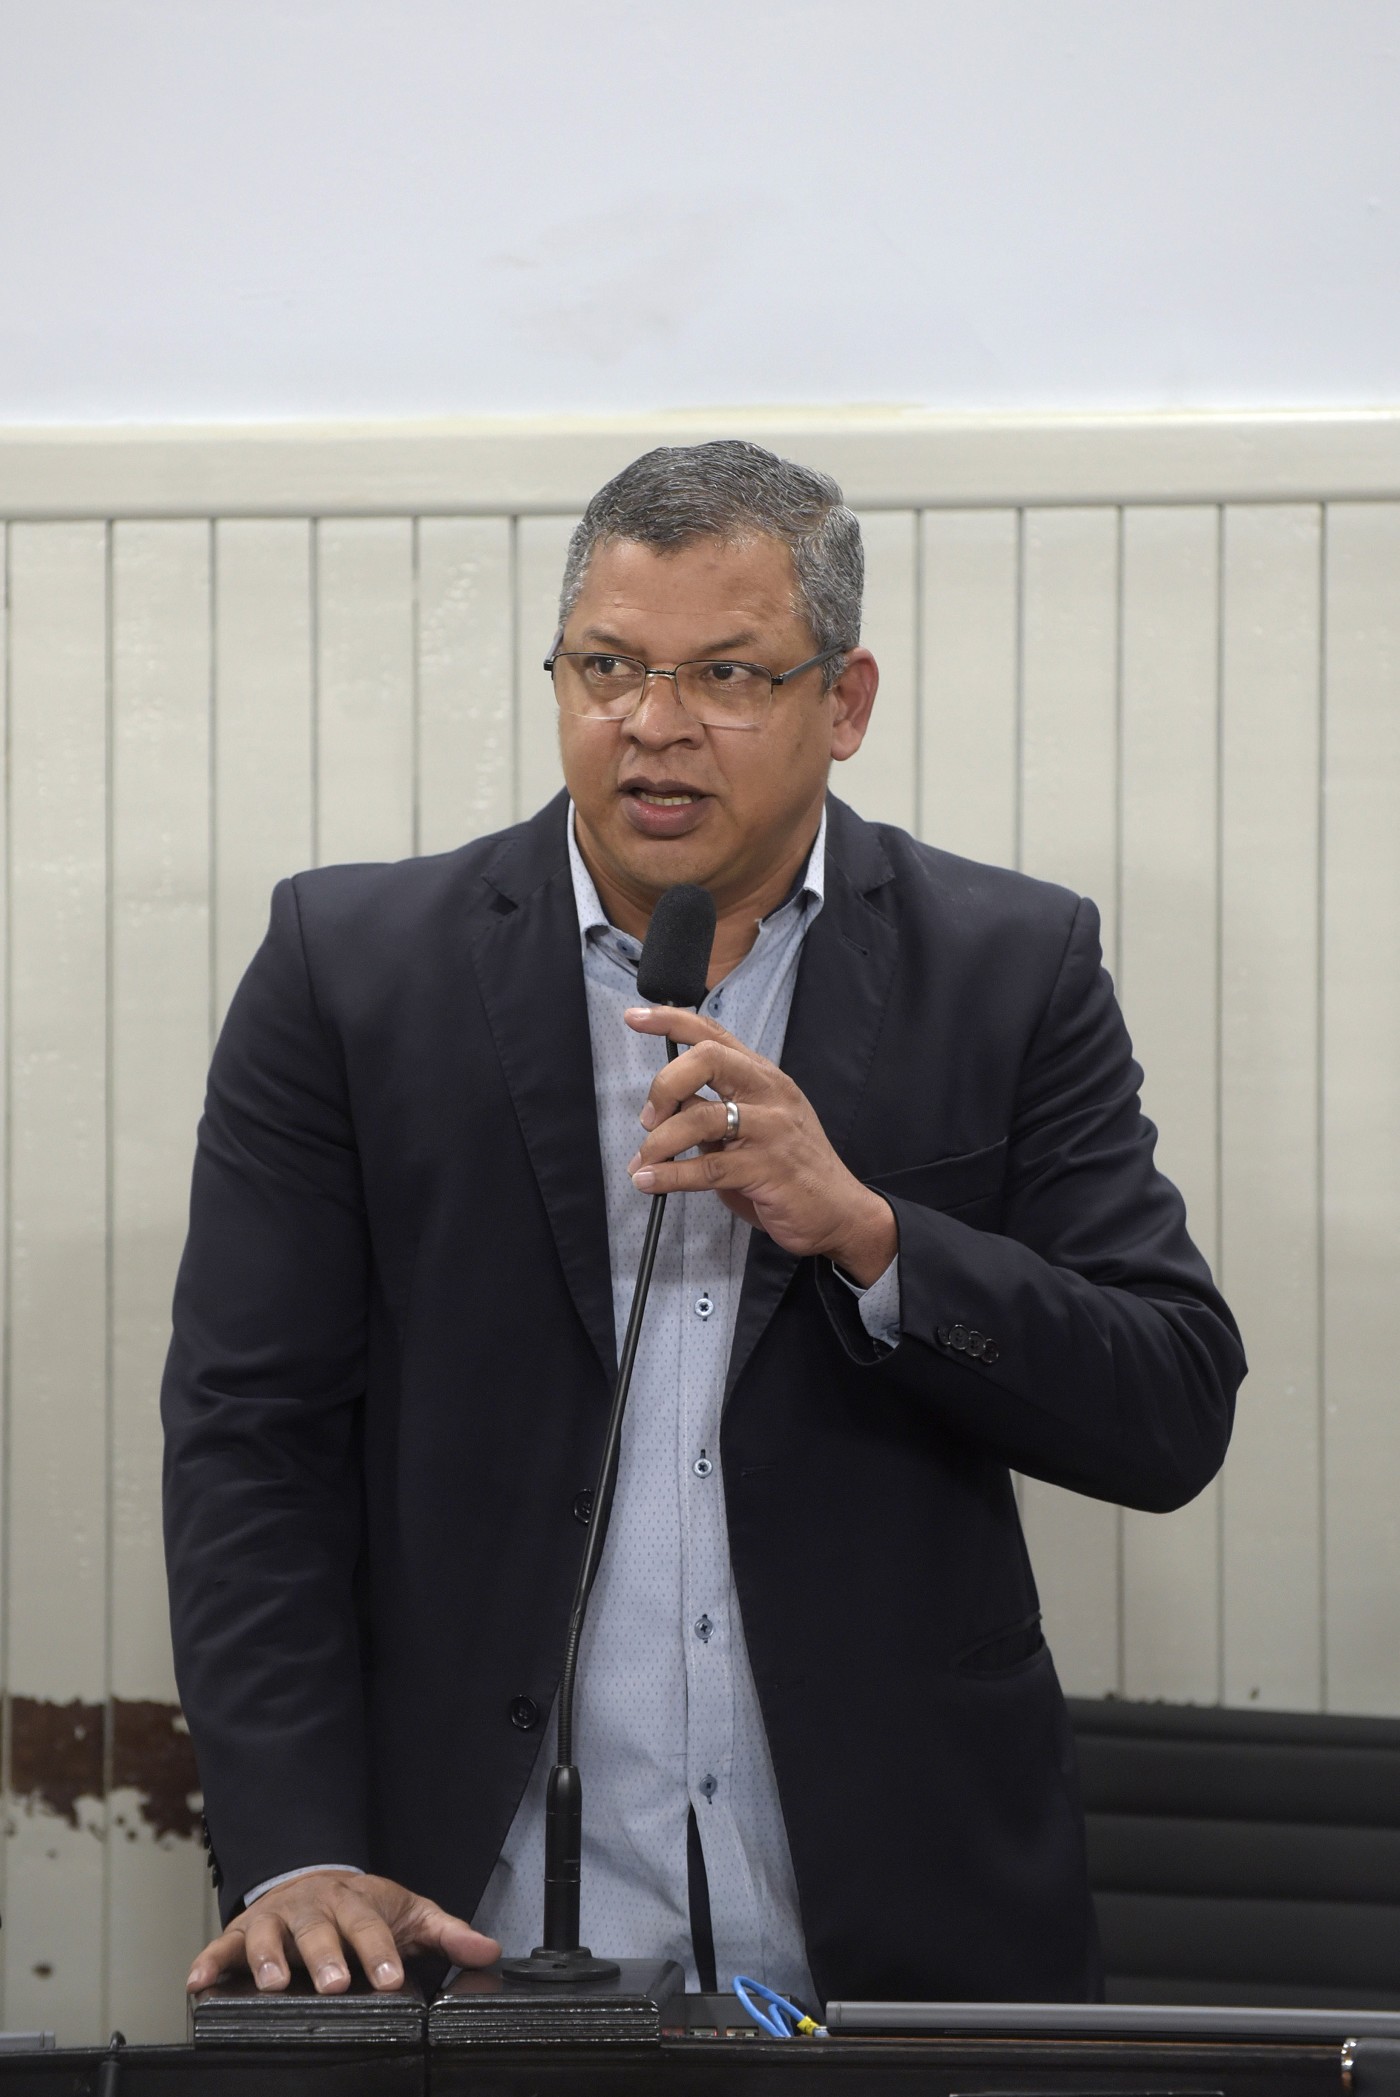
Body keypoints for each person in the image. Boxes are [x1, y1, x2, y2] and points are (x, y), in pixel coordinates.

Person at [166, 441, 1244, 2010]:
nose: (653, 725)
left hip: (895, 1927)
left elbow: (1171, 1402)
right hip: (460, 1928)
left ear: (844, 702)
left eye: (727, 675)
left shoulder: (1010, 967)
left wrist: (871, 1234)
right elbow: (249, 1439)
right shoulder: (352, 970)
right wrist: (295, 1849)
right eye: (608, 666)